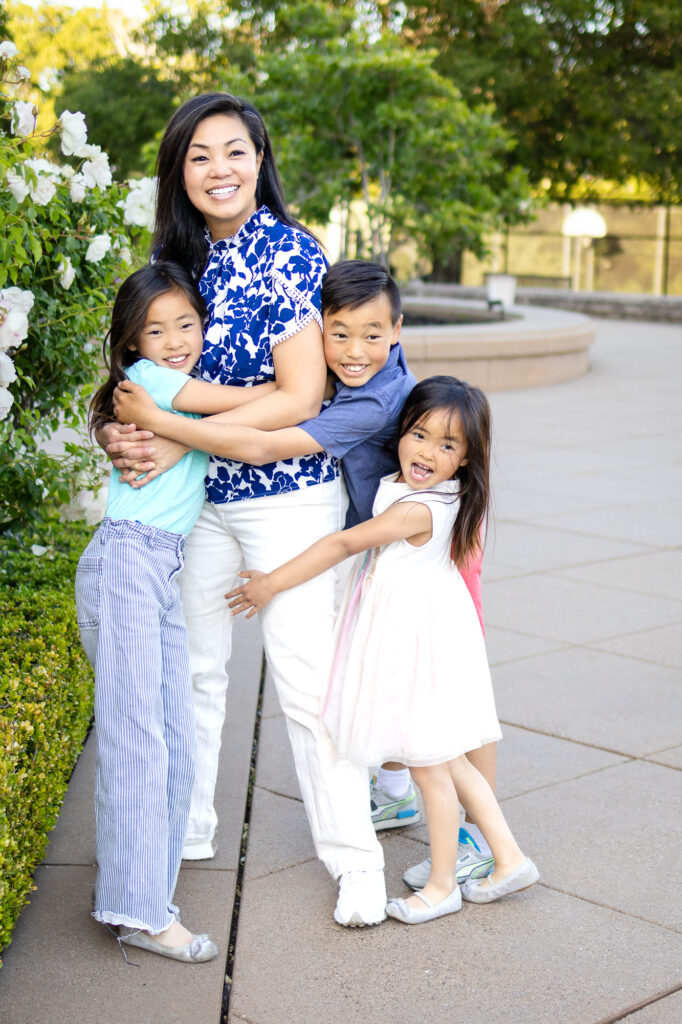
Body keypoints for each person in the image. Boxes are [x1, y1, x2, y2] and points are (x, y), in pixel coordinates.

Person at [101, 94, 386, 927]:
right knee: (192, 673)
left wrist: (174, 433)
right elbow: (139, 376)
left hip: (284, 502)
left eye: (234, 151)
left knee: (303, 686)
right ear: (178, 173)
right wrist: (129, 433)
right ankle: (187, 833)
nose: (218, 169)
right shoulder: (174, 256)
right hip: (196, 508)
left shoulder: (291, 252)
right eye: (199, 155)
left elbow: (301, 394)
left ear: (261, 160)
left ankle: (354, 858)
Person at [227, 376, 539, 924]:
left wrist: (271, 581)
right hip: (428, 636)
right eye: (419, 435)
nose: (427, 452)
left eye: (447, 446)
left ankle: (442, 884)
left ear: (467, 459)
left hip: (410, 643)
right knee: (449, 761)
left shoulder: (417, 509)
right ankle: (508, 857)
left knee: (429, 768)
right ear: (402, 431)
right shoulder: (440, 493)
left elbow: (344, 541)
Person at [76, 261, 275, 962]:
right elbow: (237, 401)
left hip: (154, 566)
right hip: (129, 560)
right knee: (140, 738)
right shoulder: (158, 386)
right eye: (154, 330)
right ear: (132, 344)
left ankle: (144, 898)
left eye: (186, 323)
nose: (174, 339)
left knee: (169, 731)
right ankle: (140, 912)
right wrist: (296, 385)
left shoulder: (155, 397)